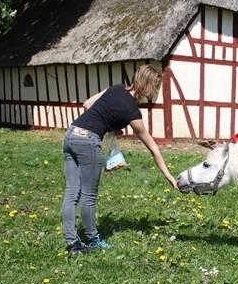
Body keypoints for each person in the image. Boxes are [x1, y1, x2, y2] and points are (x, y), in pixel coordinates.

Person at [61, 65, 178, 255]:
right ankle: (92, 239)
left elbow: (87, 104)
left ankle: (72, 243)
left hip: (71, 134)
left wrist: (109, 123)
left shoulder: (116, 88)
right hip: (88, 142)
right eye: (155, 86)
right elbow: (153, 147)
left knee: (72, 193)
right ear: (147, 85)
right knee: (88, 196)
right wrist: (168, 175)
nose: (155, 92)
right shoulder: (132, 112)